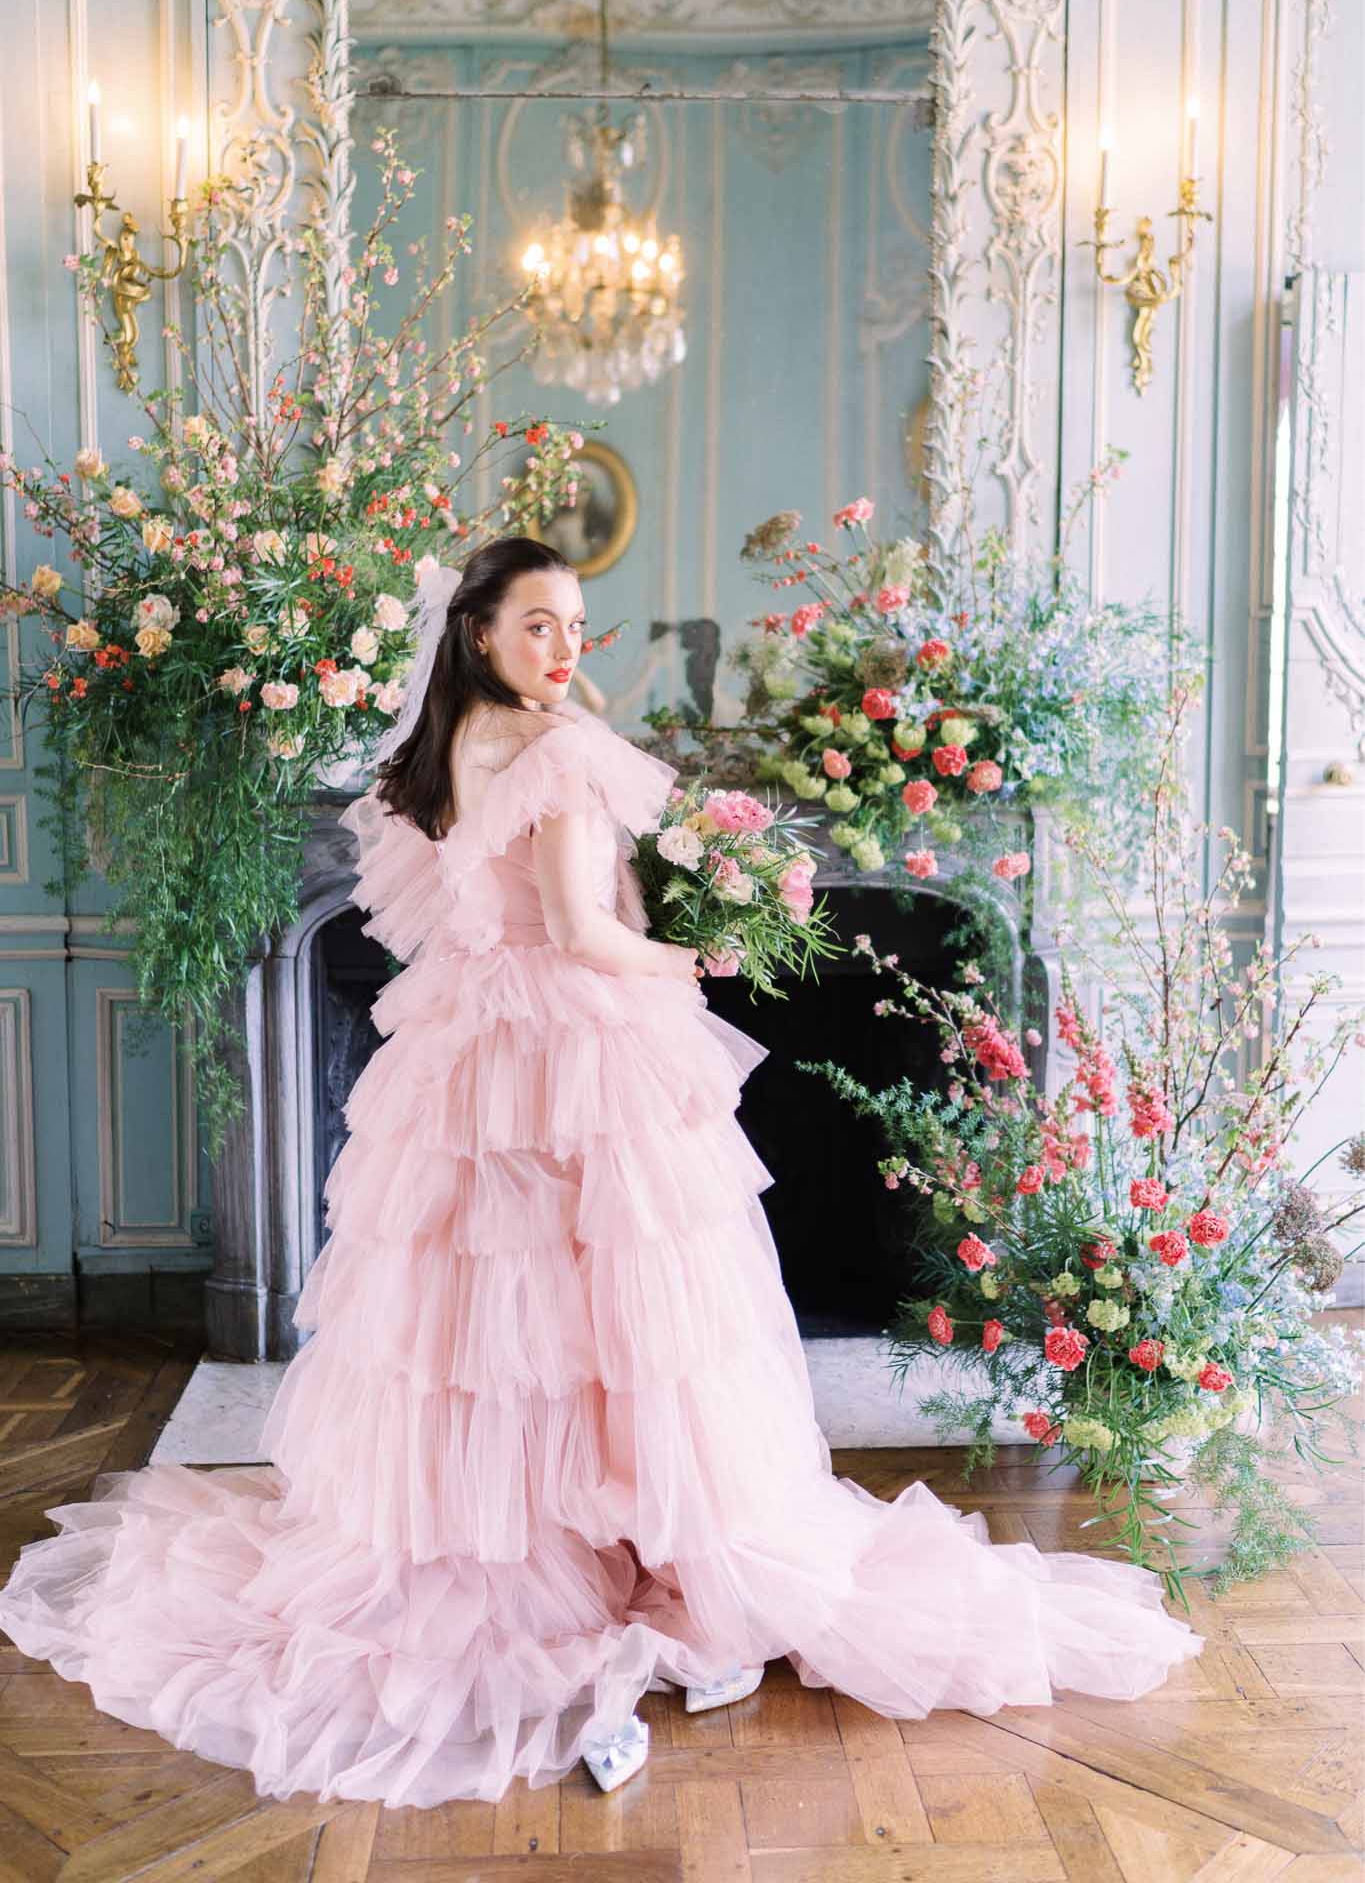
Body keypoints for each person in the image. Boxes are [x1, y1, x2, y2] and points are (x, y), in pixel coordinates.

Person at [0, 535, 1203, 1809]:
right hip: (572, 1038)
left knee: (498, 1320)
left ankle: (546, 1537)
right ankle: (646, 1546)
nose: (567, 649)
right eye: (538, 626)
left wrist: (585, 752)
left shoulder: (453, 748)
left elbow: (468, 907)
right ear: (476, 634)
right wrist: (695, 964)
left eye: (577, 623)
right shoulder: (560, 754)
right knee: (626, 1308)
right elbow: (582, 931)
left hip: (470, 1035)